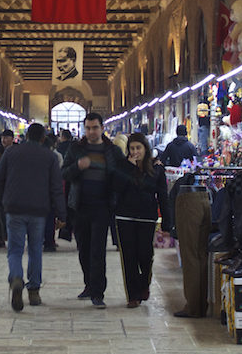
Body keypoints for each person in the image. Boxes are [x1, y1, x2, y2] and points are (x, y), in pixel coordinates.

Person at [0, 122, 65, 311]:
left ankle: (16, 277)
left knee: (15, 250)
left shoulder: (10, 153)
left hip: (14, 208)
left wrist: (1, 201)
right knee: (35, 250)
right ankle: (33, 291)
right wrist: (62, 213)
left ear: (25, 136)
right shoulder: (49, 156)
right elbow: (57, 187)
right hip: (38, 210)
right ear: (43, 138)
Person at [61, 112, 127, 308]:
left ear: (101, 128)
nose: (91, 132)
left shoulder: (112, 151)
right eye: (88, 128)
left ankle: (98, 292)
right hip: (80, 206)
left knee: (98, 249)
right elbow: (64, 173)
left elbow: (122, 174)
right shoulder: (76, 149)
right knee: (84, 248)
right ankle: (89, 284)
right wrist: (78, 167)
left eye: (95, 128)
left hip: (103, 206)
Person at [113, 133, 173, 308]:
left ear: (145, 148)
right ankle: (132, 295)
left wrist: (167, 223)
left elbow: (163, 196)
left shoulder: (156, 168)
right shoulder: (122, 166)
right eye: (132, 148)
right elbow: (116, 188)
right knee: (128, 257)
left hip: (147, 217)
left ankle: (144, 283)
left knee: (145, 255)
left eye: (138, 148)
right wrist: (129, 168)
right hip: (125, 216)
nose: (135, 152)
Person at [42, 132, 64, 251]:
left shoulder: (35, 156)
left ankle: (40, 239)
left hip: (38, 192)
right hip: (50, 192)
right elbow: (58, 174)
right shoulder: (56, 156)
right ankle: (49, 242)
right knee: (50, 217)